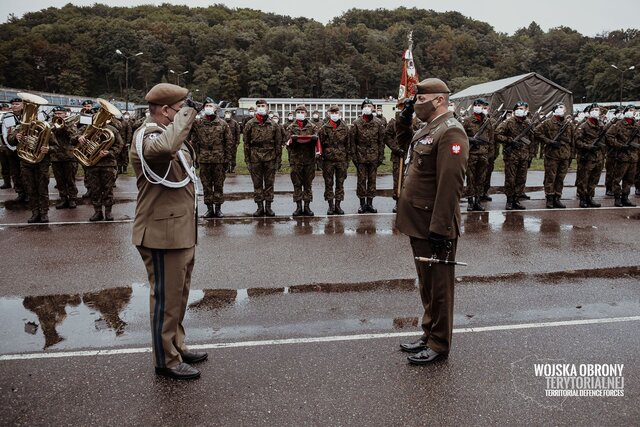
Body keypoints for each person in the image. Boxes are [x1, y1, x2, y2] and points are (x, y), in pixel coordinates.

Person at [130, 82, 207, 380]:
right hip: (161, 233)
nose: (185, 115)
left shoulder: (166, 134)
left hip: (179, 230)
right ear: (165, 110)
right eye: (179, 109)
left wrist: (183, 116)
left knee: (178, 296)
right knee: (165, 298)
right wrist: (187, 114)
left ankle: (177, 346)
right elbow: (165, 149)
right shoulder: (148, 136)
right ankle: (166, 360)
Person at [395, 78, 469, 365]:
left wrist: (440, 228)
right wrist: (402, 121)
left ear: (439, 100)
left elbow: (450, 186)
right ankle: (429, 333)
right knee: (426, 284)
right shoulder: (430, 129)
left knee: (439, 287)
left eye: (420, 101)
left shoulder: (451, 132)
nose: (416, 106)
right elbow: (401, 145)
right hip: (419, 221)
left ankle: (439, 343)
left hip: (434, 224)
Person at [189, 98, 232, 218]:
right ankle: (209, 208)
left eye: (210, 106)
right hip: (204, 158)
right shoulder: (198, 123)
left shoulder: (222, 124)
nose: (208, 108)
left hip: (219, 159)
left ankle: (218, 209)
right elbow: (193, 138)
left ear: (216, 109)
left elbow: (228, 142)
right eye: (206, 106)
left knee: (218, 184)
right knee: (206, 185)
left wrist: (227, 160)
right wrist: (195, 157)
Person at [10, 97, 51, 223]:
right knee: (30, 189)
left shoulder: (42, 127)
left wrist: (48, 149)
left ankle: (44, 213)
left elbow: (55, 145)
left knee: (42, 189)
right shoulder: (19, 128)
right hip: (26, 162)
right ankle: (34, 213)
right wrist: (16, 137)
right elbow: (10, 140)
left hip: (41, 162)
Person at [243, 99, 283, 217]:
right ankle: (260, 207)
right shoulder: (250, 124)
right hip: (255, 157)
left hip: (270, 157)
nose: (261, 107)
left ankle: (269, 207)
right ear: (256, 108)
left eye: (263, 105)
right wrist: (247, 160)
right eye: (259, 106)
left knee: (269, 183)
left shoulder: (274, 125)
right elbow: (246, 144)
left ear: (267, 107)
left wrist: (278, 160)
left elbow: (278, 144)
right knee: (257, 183)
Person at [534, 102, 575, 209]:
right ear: (555, 109)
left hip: (565, 155)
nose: (563, 110)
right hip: (552, 155)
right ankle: (549, 198)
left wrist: (571, 154)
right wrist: (549, 142)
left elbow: (572, 139)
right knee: (550, 177)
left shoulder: (568, 124)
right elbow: (536, 133)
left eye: (564, 108)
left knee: (560, 178)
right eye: (560, 108)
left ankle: (557, 198)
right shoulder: (547, 122)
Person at [495, 102, 534, 210]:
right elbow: (497, 134)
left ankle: (516, 200)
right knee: (510, 179)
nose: (522, 110)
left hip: (524, 156)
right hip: (511, 156)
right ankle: (509, 200)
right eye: (519, 108)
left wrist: (531, 154)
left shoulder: (527, 123)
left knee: (521, 179)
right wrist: (509, 141)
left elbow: (531, 140)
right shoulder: (508, 122)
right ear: (515, 110)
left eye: (523, 108)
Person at [350, 98, 385, 213]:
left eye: (370, 106)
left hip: (373, 156)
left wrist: (380, 156)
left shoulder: (378, 123)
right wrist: (354, 157)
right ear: (362, 108)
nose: (367, 108)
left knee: (372, 180)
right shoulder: (356, 123)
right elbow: (352, 142)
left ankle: (370, 203)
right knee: (361, 181)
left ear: (373, 108)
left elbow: (381, 141)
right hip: (360, 157)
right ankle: (362, 204)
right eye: (365, 106)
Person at [285, 105, 320, 216]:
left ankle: (307, 206)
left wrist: (312, 140)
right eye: (298, 112)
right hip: (296, 160)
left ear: (306, 114)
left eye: (302, 112)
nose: (300, 113)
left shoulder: (313, 127)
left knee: (308, 184)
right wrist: (294, 141)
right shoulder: (291, 127)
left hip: (309, 160)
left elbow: (317, 140)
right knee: (297, 184)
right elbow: (287, 143)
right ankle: (298, 207)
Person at [462, 98, 493, 211]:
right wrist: (471, 140)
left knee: (481, 179)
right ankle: (470, 202)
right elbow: (461, 136)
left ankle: (478, 201)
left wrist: (490, 154)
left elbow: (491, 138)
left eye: (483, 106)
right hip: (472, 154)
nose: (481, 107)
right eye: (479, 105)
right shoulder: (467, 121)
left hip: (484, 154)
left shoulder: (487, 121)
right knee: (470, 179)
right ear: (474, 106)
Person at [318, 105, 349, 215]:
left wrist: (347, 161)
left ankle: (338, 205)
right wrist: (320, 160)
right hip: (328, 160)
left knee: (340, 183)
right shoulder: (324, 128)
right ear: (328, 114)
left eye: (336, 112)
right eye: (332, 112)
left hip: (341, 160)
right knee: (329, 183)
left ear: (339, 113)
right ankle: (330, 206)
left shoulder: (345, 128)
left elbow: (348, 145)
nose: (334, 114)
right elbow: (319, 145)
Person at [606, 104, 639, 207]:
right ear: (625, 112)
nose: (632, 111)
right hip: (622, 156)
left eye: (633, 110)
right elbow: (609, 135)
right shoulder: (618, 124)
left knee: (629, 179)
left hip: (633, 156)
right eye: (630, 110)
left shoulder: (636, 125)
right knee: (617, 179)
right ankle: (617, 198)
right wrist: (620, 145)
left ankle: (625, 197)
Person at [574, 103, 605, 208]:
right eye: (594, 109)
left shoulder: (601, 125)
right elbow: (577, 141)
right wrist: (588, 147)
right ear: (590, 112)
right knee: (584, 179)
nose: (596, 111)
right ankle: (583, 199)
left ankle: (590, 197)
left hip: (598, 157)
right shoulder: (583, 126)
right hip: (587, 157)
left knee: (594, 179)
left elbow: (605, 140)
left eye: (598, 109)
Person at [50, 106, 79, 209]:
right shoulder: (51, 124)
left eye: (60, 113)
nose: (58, 115)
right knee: (60, 181)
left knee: (70, 180)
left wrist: (65, 126)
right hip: (55, 156)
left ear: (65, 114)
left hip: (69, 156)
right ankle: (63, 199)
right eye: (56, 113)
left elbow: (74, 138)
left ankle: (72, 199)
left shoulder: (70, 124)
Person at [383, 99, 408, 213]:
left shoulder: (414, 121)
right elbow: (387, 136)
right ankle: (398, 201)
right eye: (402, 106)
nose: (404, 108)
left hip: (411, 154)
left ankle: (409, 203)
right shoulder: (393, 122)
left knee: (412, 180)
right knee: (398, 179)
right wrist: (396, 149)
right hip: (399, 155)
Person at [1, 97, 27, 200]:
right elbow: (7, 133)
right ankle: (20, 193)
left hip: (25, 149)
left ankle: (29, 193)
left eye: (17, 104)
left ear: (23, 105)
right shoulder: (8, 117)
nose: (14, 106)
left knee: (26, 173)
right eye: (13, 104)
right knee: (15, 173)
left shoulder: (28, 115)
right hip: (12, 148)